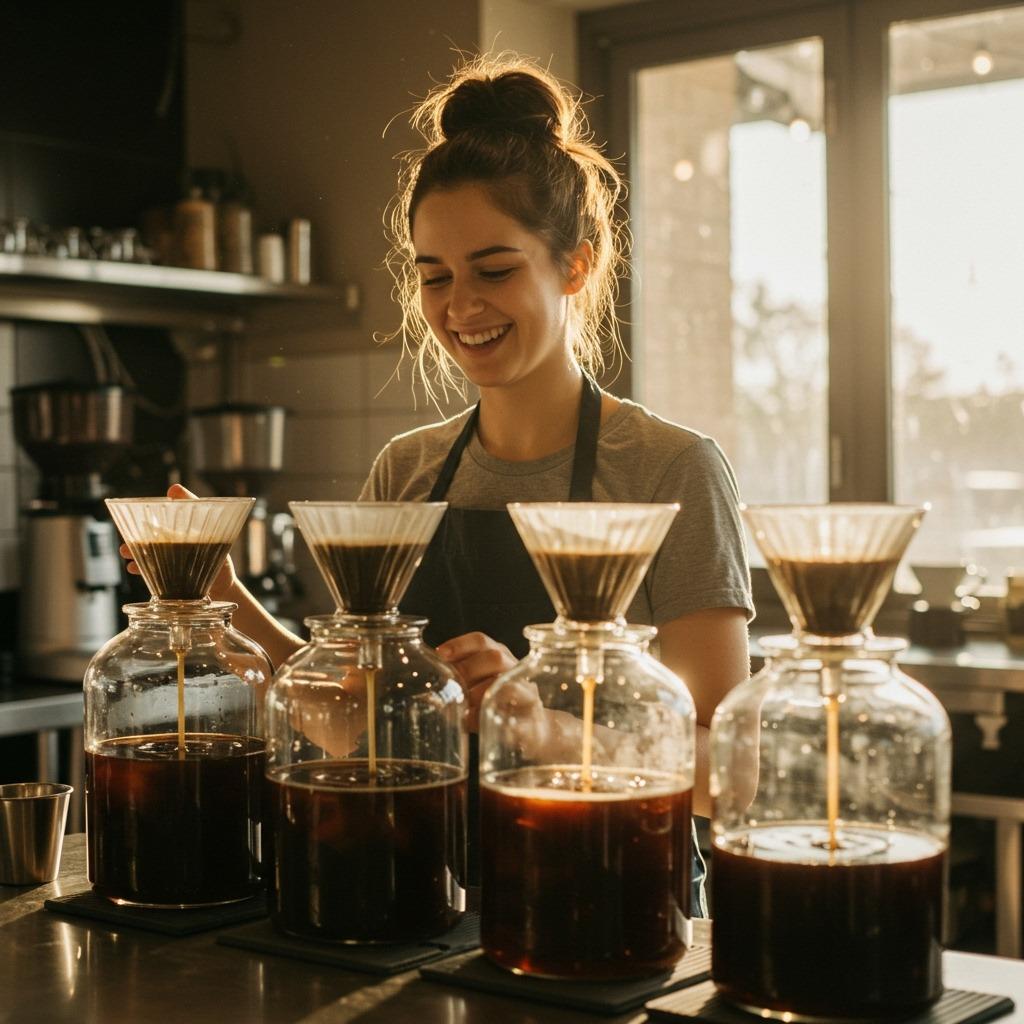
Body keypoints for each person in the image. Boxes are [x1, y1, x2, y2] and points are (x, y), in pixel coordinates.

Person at [123, 54, 753, 912]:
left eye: (494, 270)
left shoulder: (669, 467)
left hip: (615, 909)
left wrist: (540, 724)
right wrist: (226, 605)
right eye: (434, 276)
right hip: (425, 904)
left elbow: (732, 775)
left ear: (577, 263)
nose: (461, 306)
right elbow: (358, 725)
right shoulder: (408, 471)